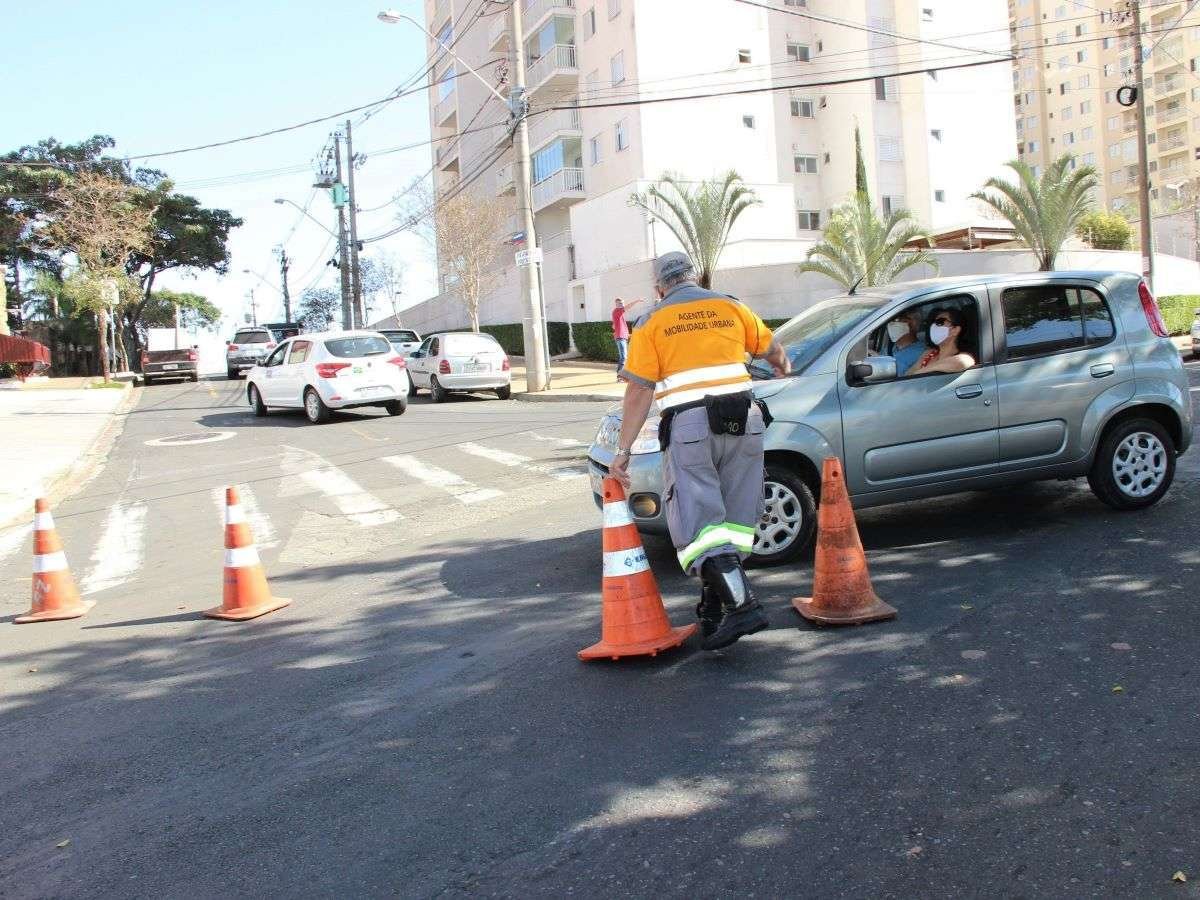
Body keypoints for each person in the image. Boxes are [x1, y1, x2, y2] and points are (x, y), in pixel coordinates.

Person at [609, 251, 791, 651]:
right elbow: (773, 349)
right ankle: (715, 608)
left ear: (659, 286)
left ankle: (743, 606)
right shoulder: (731, 306)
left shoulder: (652, 320)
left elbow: (640, 388)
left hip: (692, 428)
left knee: (698, 521)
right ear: (695, 276)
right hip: (745, 420)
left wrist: (623, 450)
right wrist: (782, 367)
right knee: (735, 518)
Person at [906, 307, 975, 375]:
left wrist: (919, 373)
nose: (933, 326)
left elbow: (962, 362)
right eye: (933, 322)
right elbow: (907, 376)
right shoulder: (928, 354)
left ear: (955, 330)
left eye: (939, 322)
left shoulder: (963, 357)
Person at [886, 309, 927, 375]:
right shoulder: (891, 347)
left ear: (913, 324)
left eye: (897, 320)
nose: (891, 324)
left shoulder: (921, 353)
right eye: (891, 320)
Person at [611, 298, 630, 374]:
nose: (621, 305)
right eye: (619, 303)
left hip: (622, 337)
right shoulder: (617, 311)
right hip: (620, 338)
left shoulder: (618, 313)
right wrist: (637, 301)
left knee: (625, 357)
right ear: (616, 304)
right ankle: (619, 375)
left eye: (622, 303)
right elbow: (628, 307)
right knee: (623, 357)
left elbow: (613, 326)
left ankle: (624, 374)